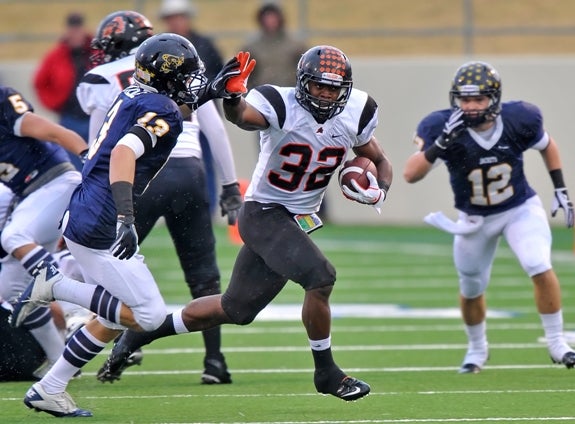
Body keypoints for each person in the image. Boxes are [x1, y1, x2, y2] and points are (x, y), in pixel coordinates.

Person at [98, 45, 393, 402]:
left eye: (334, 88)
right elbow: (243, 117)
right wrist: (233, 96)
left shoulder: (357, 111)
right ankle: (327, 373)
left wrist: (379, 190)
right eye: (319, 86)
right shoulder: (281, 102)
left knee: (235, 309)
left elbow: (377, 159)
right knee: (321, 276)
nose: (327, 94)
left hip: (295, 222)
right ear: (303, 84)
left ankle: (142, 333)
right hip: (263, 212)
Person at [11, 33, 244, 418]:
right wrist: (126, 217)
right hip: (102, 218)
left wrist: (211, 92)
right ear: (167, 78)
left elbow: (169, 112)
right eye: (186, 76)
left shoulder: (137, 95)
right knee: (148, 316)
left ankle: (49, 388)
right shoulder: (163, 110)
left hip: (86, 210)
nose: (192, 82)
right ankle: (57, 285)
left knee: (111, 318)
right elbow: (124, 152)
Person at [77, 10, 241, 384]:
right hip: (192, 174)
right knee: (203, 275)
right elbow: (213, 128)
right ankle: (214, 362)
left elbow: (99, 146)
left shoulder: (105, 79)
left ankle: (121, 346)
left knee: (117, 269)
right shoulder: (185, 72)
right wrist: (230, 185)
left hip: (145, 174)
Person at [403, 61, 575, 374]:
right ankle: (477, 349)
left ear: (493, 99)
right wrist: (441, 143)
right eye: (464, 99)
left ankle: (557, 341)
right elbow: (410, 174)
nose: (469, 107)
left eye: (478, 99)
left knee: (538, 263)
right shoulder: (442, 126)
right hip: (473, 218)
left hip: (518, 208)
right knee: (471, 286)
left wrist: (560, 187)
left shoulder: (519, 118)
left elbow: (548, 146)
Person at [0, 85, 87, 380]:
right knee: (10, 292)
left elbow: (55, 132)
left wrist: (90, 160)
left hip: (56, 182)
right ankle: (61, 364)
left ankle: (67, 295)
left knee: (13, 237)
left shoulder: (4, 102)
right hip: (32, 199)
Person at [158, 0, 226, 215]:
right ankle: (170, 209)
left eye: (179, 17)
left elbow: (219, 76)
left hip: (202, 111)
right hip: (172, 115)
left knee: (204, 162)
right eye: (172, 18)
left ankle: (208, 207)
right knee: (167, 163)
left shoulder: (204, 44)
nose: (176, 22)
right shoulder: (160, 46)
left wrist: (199, 89)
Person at [33, 12, 93, 169]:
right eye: (72, 29)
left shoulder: (95, 51)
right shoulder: (56, 55)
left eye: (78, 29)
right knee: (73, 162)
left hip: (94, 115)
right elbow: (40, 82)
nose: (75, 33)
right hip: (70, 117)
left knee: (96, 159)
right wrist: (54, 103)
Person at [240, 1, 308, 90]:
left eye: (273, 17)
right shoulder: (251, 47)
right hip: (261, 94)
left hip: (289, 93)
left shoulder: (296, 44)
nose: (270, 20)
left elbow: (306, 71)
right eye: (267, 17)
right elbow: (244, 76)